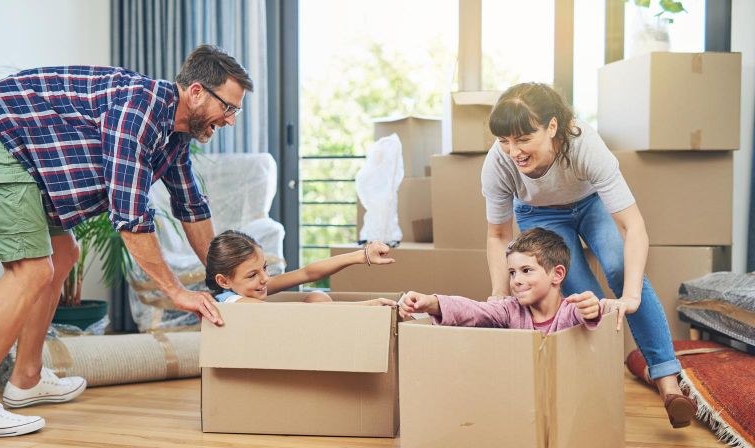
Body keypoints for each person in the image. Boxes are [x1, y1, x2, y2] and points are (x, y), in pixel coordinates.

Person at [0, 44, 249, 438]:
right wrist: (178, 292)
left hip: (25, 155)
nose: (229, 119)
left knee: (64, 254)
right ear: (196, 92)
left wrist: (222, 283)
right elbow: (129, 217)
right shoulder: (140, 108)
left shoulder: (174, 136)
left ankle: (25, 379)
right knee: (29, 270)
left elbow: (192, 208)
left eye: (235, 111)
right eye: (227, 107)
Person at [481, 82, 696, 429]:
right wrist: (498, 294)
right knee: (582, 295)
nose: (513, 151)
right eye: (504, 140)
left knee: (620, 267)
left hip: (590, 203)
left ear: (552, 127)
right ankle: (601, 389)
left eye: (523, 139)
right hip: (539, 213)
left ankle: (670, 386)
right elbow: (498, 234)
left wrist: (631, 294)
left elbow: (632, 227)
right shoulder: (499, 164)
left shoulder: (583, 144)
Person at [399, 228, 603, 333]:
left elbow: (586, 315)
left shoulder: (569, 311)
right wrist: (430, 303)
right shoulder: (510, 310)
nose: (516, 280)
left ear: (557, 274)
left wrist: (590, 310)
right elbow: (472, 310)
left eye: (526, 270)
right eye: (512, 272)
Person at [206, 230, 396, 306]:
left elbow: (307, 273)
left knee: (316, 297)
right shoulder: (231, 301)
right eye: (252, 275)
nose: (264, 278)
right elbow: (293, 315)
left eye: (264, 268)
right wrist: (365, 306)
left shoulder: (245, 288)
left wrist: (361, 255)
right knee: (315, 303)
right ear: (224, 281)